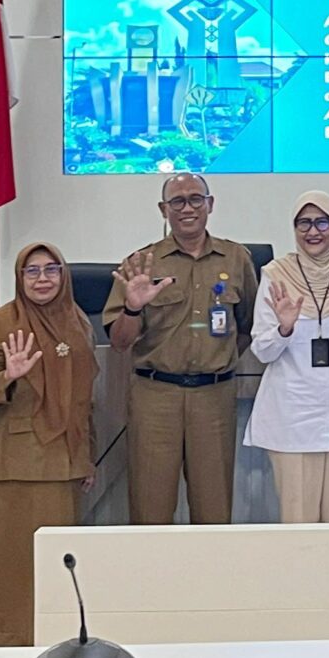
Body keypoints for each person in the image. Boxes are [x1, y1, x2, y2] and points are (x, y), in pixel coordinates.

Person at [106, 172, 259, 524]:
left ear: (210, 204)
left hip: (214, 398)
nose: (187, 208)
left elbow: (247, 326)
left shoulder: (236, 258)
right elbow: (120, 342)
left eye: (195, 199)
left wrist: (215, 360)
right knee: (150, 509)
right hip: (155, 397)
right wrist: (132, 307)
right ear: (163, 210)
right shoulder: (141, 264)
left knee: (214, 510)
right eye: (177, 201)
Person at [0, 242, 99, 645]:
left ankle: (58, 644)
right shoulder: (1, 323)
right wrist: (8, 375)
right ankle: (10, 644)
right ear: (19, 277)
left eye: (51, 270)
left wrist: (87, 456)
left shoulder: (77, 320)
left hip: (66, 463)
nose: (43, 279)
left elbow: (84, 399)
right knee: (15, 567)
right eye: (32, 271)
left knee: (60, 567)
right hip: (18, 464)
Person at [248, 194, 329, 525]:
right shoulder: (276, 275)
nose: (313, 231)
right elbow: (262, 350)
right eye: (304, 223)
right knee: (298, 526)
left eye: (322, 222)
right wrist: (284, 328)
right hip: (292, 417)